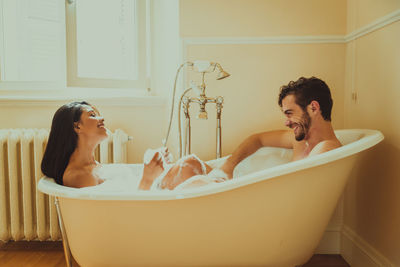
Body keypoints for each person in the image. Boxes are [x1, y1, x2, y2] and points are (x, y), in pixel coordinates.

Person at [41, 101, 215, 189]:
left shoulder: (94, 166)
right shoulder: (77, 176)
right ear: (77, 126)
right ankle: (226, 177)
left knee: (190, 163)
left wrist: (156, 168)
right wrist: (147, 177)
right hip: (142, 217)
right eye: (93, 115)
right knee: (194, 172)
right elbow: (117, 218)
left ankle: (225, 176)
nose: (101, 118)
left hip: (147, 200)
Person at [220, 76, 342, 179]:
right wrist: (227, 167)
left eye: (290, 113)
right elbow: (257, 139)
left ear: (313, 108)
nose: (287, 123)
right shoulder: (300, 141)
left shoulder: (326, 149)